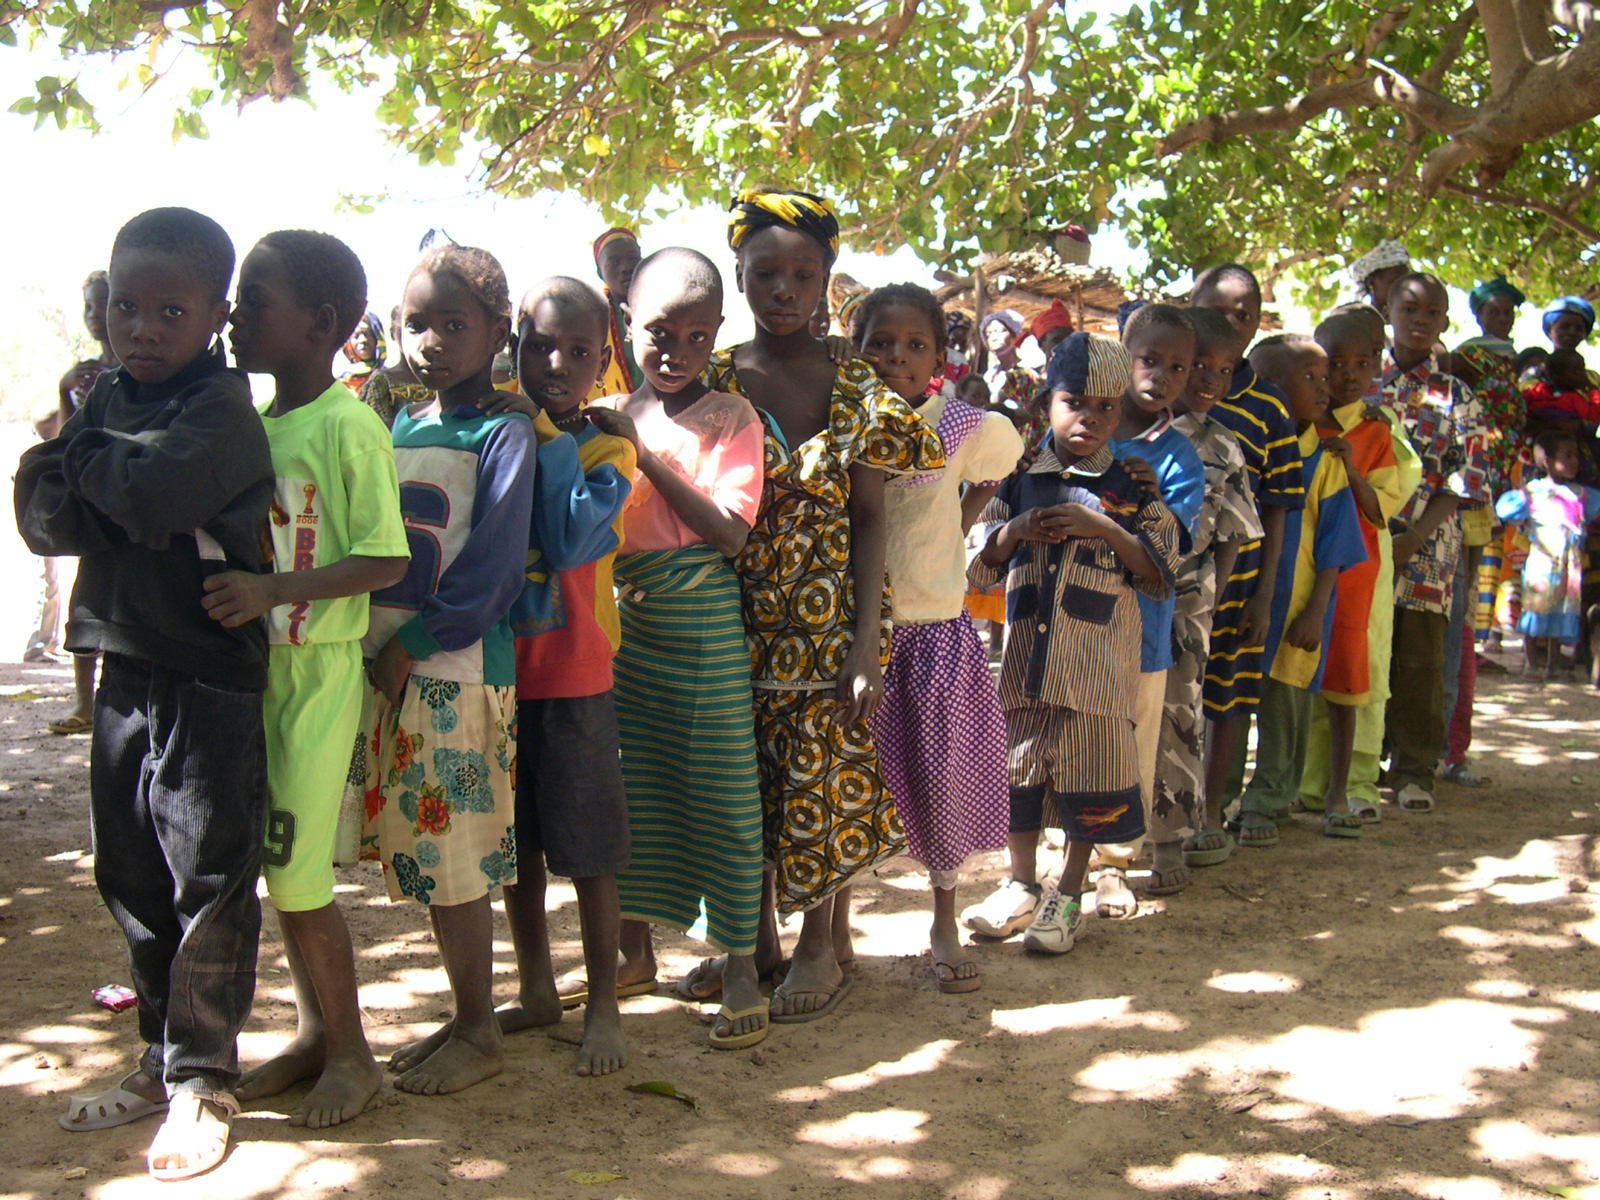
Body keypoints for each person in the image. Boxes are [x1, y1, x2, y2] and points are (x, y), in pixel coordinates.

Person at [16, 207, 274, 1181]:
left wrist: (82, 456)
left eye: (171, 310)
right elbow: (40, 513)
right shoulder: (113, 397)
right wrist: (97, 472)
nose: (144, 328)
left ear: (215, 313)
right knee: (129, 871)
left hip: (206, 674)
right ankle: (161, 1057)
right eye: (127, 307)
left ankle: (206, 1081)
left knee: (207, 875)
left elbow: (149, 495)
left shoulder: (219, 411)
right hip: (123, 661)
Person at [707, 189, 944, 1021]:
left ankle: (819, 947)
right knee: (748, 781)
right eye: (764, 273)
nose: (783, 290)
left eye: (802, 274)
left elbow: (871, 515)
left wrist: (863, 647)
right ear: (738, 278)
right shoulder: (716, 379)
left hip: (832, 616)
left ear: (828, 281)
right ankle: (754, 940)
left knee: (823, 777)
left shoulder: (857, 384)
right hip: (732, 611)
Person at [208, 230, 409, 1128]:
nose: (233, 315)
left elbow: (382, 559)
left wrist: (272, 590)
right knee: (274, 872)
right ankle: (311, 1034)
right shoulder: (253, 423)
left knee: (299, 880)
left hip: (316, 676)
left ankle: (356, 1056)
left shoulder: (348, 424)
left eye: (254, 301)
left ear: (320, 323)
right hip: (262, 673)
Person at [360, 244, 536, 1095]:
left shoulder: (506, 429)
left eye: (453, 324)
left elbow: (496, 568)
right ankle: (464, 1017)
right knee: (432, 855)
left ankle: (479, 1029)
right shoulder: (406, 423)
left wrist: (414, 642)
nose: (430, 340)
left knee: (457, 857)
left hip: (457, 672)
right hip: (404, 669)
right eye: (416, 322)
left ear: (498, 331)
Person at [586, 248, 769, 1051]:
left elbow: (729, 533)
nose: (676, 349)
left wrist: (643, 452)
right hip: (622, 629)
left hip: (701, 630)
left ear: (717, 337)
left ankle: (738, 965)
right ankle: (633, 955)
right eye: (660, 330)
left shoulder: (731, 418)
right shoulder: (612, 412)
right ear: (628, 322)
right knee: (632, 792)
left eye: (697, 336)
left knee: (724, 793)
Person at [468, 276, 635, 1077]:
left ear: (604, 361)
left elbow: (571, 539)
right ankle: (537, 988)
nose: (556, 365)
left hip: (574, 676)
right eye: (538, 348)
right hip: (498, 668)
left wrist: (541, 430)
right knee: (516, 847)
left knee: (589, 851)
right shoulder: (495, 425)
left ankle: (602, 1002)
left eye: (577, 352)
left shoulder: (608, 447)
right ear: (513, 348)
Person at [967, 332, 1182, 953]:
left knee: (1092, 777)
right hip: (1028, 668)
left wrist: (1101, 525)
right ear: (1045, 404)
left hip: (1096, 672)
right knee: (1022, 774)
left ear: (1120, 410)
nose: (1089, 419)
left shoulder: (1132, 486)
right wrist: (1013, 531)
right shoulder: (1017, 480)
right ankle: (1020, 884)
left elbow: (1161, 573)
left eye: (1105, 407)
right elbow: (976, 562)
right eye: (1073, 403)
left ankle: (1068, 893)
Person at [853, 283, 1022, 991]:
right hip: (858, 635)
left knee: (939, 781)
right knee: (853, 785)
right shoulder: (845, 419)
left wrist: (958, 523)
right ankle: (825, 934)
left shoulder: (959, 424)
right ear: (854, 353)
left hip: (931, 629)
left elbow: (994, 468)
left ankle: (943, 921)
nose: (897, 357)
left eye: (915, 345)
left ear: (940, 356)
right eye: (880, 344)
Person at [1231, 337, 1367, 844]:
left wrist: (1316, 612)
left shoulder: (1326, 461)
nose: (1324, 388)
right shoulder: (1246, 446)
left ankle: (1268, 800)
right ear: (1270, 388)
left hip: (1297, 610)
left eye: (1324, 378)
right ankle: (1220, 795)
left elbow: (1336, 545)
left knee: (1285, 708)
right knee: (1230, 703)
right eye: (1309, 378)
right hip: (1241, 601)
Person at [1190, 265, 1306, 837]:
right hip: (1170, 581)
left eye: (1246, 314)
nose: (1233, 322)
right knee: (1168, 697)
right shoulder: (1170, 387)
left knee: (1228, 700)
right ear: (1191, 306)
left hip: (1241, 586)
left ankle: (1211, 811)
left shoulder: (1270, 408)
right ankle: (1161, 815)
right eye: (1219, 308)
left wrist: (1266, 595)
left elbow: (1281, 506)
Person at [1148, 307, 1261, 890]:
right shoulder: (1130, 431)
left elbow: (1234, 534)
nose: (1210, 382)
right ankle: (1106, 838)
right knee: (1120, 716)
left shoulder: (1224, 446)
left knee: (1180, 715)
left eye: (1224, 371)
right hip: (1125, 601)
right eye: (1198, 367)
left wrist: (1207, 599)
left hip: (1188, 605)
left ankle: (1170, 839)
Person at [1095, 303, 1203, 914]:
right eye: (1149, 359)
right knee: (1071, 737)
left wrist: (1152, 500)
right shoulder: (1084, 425)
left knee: (1131, 747)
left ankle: (1115, 861)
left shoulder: (1179, 459)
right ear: (1123, 353)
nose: (1161, 375)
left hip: (1142, 634)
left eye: (1178, 367)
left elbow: (1174, 552)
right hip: (1071, 628)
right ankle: (1067, 851)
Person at [1298, 311, 1415, 825]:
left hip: (1362, 570)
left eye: (1359, 364)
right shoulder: (1302, 421)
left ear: (1376, 367)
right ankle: (1301, 781)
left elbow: (1379, 510)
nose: (1346, 375)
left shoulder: (1378, 431)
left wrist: (1348, 463)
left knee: (1359, 671)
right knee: (1303, 669)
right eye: (1334, 364)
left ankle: (1357, 782)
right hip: (1303, 568)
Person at [1378, 272, 1489, 813]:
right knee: (1365, 650)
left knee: (1421, 661)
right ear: (1389, 314)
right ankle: (1359, 764)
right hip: (1364, 545)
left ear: (1445, 322)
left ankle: (1414, 769)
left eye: (1431, 313)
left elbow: (1467, 481)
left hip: (1430, 550)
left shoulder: (1460, 398)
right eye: (1409, 309)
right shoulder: (1364, 384)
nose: (1419, 321)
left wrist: (1417, 534)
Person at [33, 269, 117, 731]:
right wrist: (65, 389)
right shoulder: (86, 373)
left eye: (105, 305)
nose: (95, 317)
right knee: (86, 603)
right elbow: (68, 441)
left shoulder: (137, 367)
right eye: (88, 307)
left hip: (126, 497)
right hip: (93, 504)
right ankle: (85, 702)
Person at [1496, 431, 1600, 678]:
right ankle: (1532, 663)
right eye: (1568, 456)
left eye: (1575, 456)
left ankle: (1554, 663)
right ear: (1546, 461)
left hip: (1569, 566)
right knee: (1537, 607)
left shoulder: (1580, 494)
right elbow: (1506, 509)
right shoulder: (1533, 492)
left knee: (1562, 608)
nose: (1575, 461)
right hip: (1542, 563)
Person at [591, 227, 644, 400]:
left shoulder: (669, 303)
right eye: (614, 262)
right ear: (600, 273)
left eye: (632, 258)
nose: (626, 267)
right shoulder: (591, 319)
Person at [359, 305, 431, 427]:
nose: (412, 335)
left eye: (420, 327)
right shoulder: (382, 381)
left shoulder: (440, 379)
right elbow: (378, 431)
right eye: (407, 326)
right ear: (392, 333)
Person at [1524, 350, 1600, 425]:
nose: (1583, 374)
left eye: (1583, 369)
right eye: (1576, 371)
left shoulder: (1575, 398)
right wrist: (1592, 389)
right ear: (1556, 375)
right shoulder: (1537, 391)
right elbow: (1594, 415)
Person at [1348, 240, 1410, 310]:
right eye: (1395, 282)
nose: (1404, 288)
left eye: (1407, 282)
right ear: (1371, 283)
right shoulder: (1358, 319)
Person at [340, 311, 386, 394]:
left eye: (367, 334)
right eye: (356, 336)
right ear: (348, 344)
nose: (363, 340)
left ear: (377, 339)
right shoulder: (342, 386)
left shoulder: (389, 378)